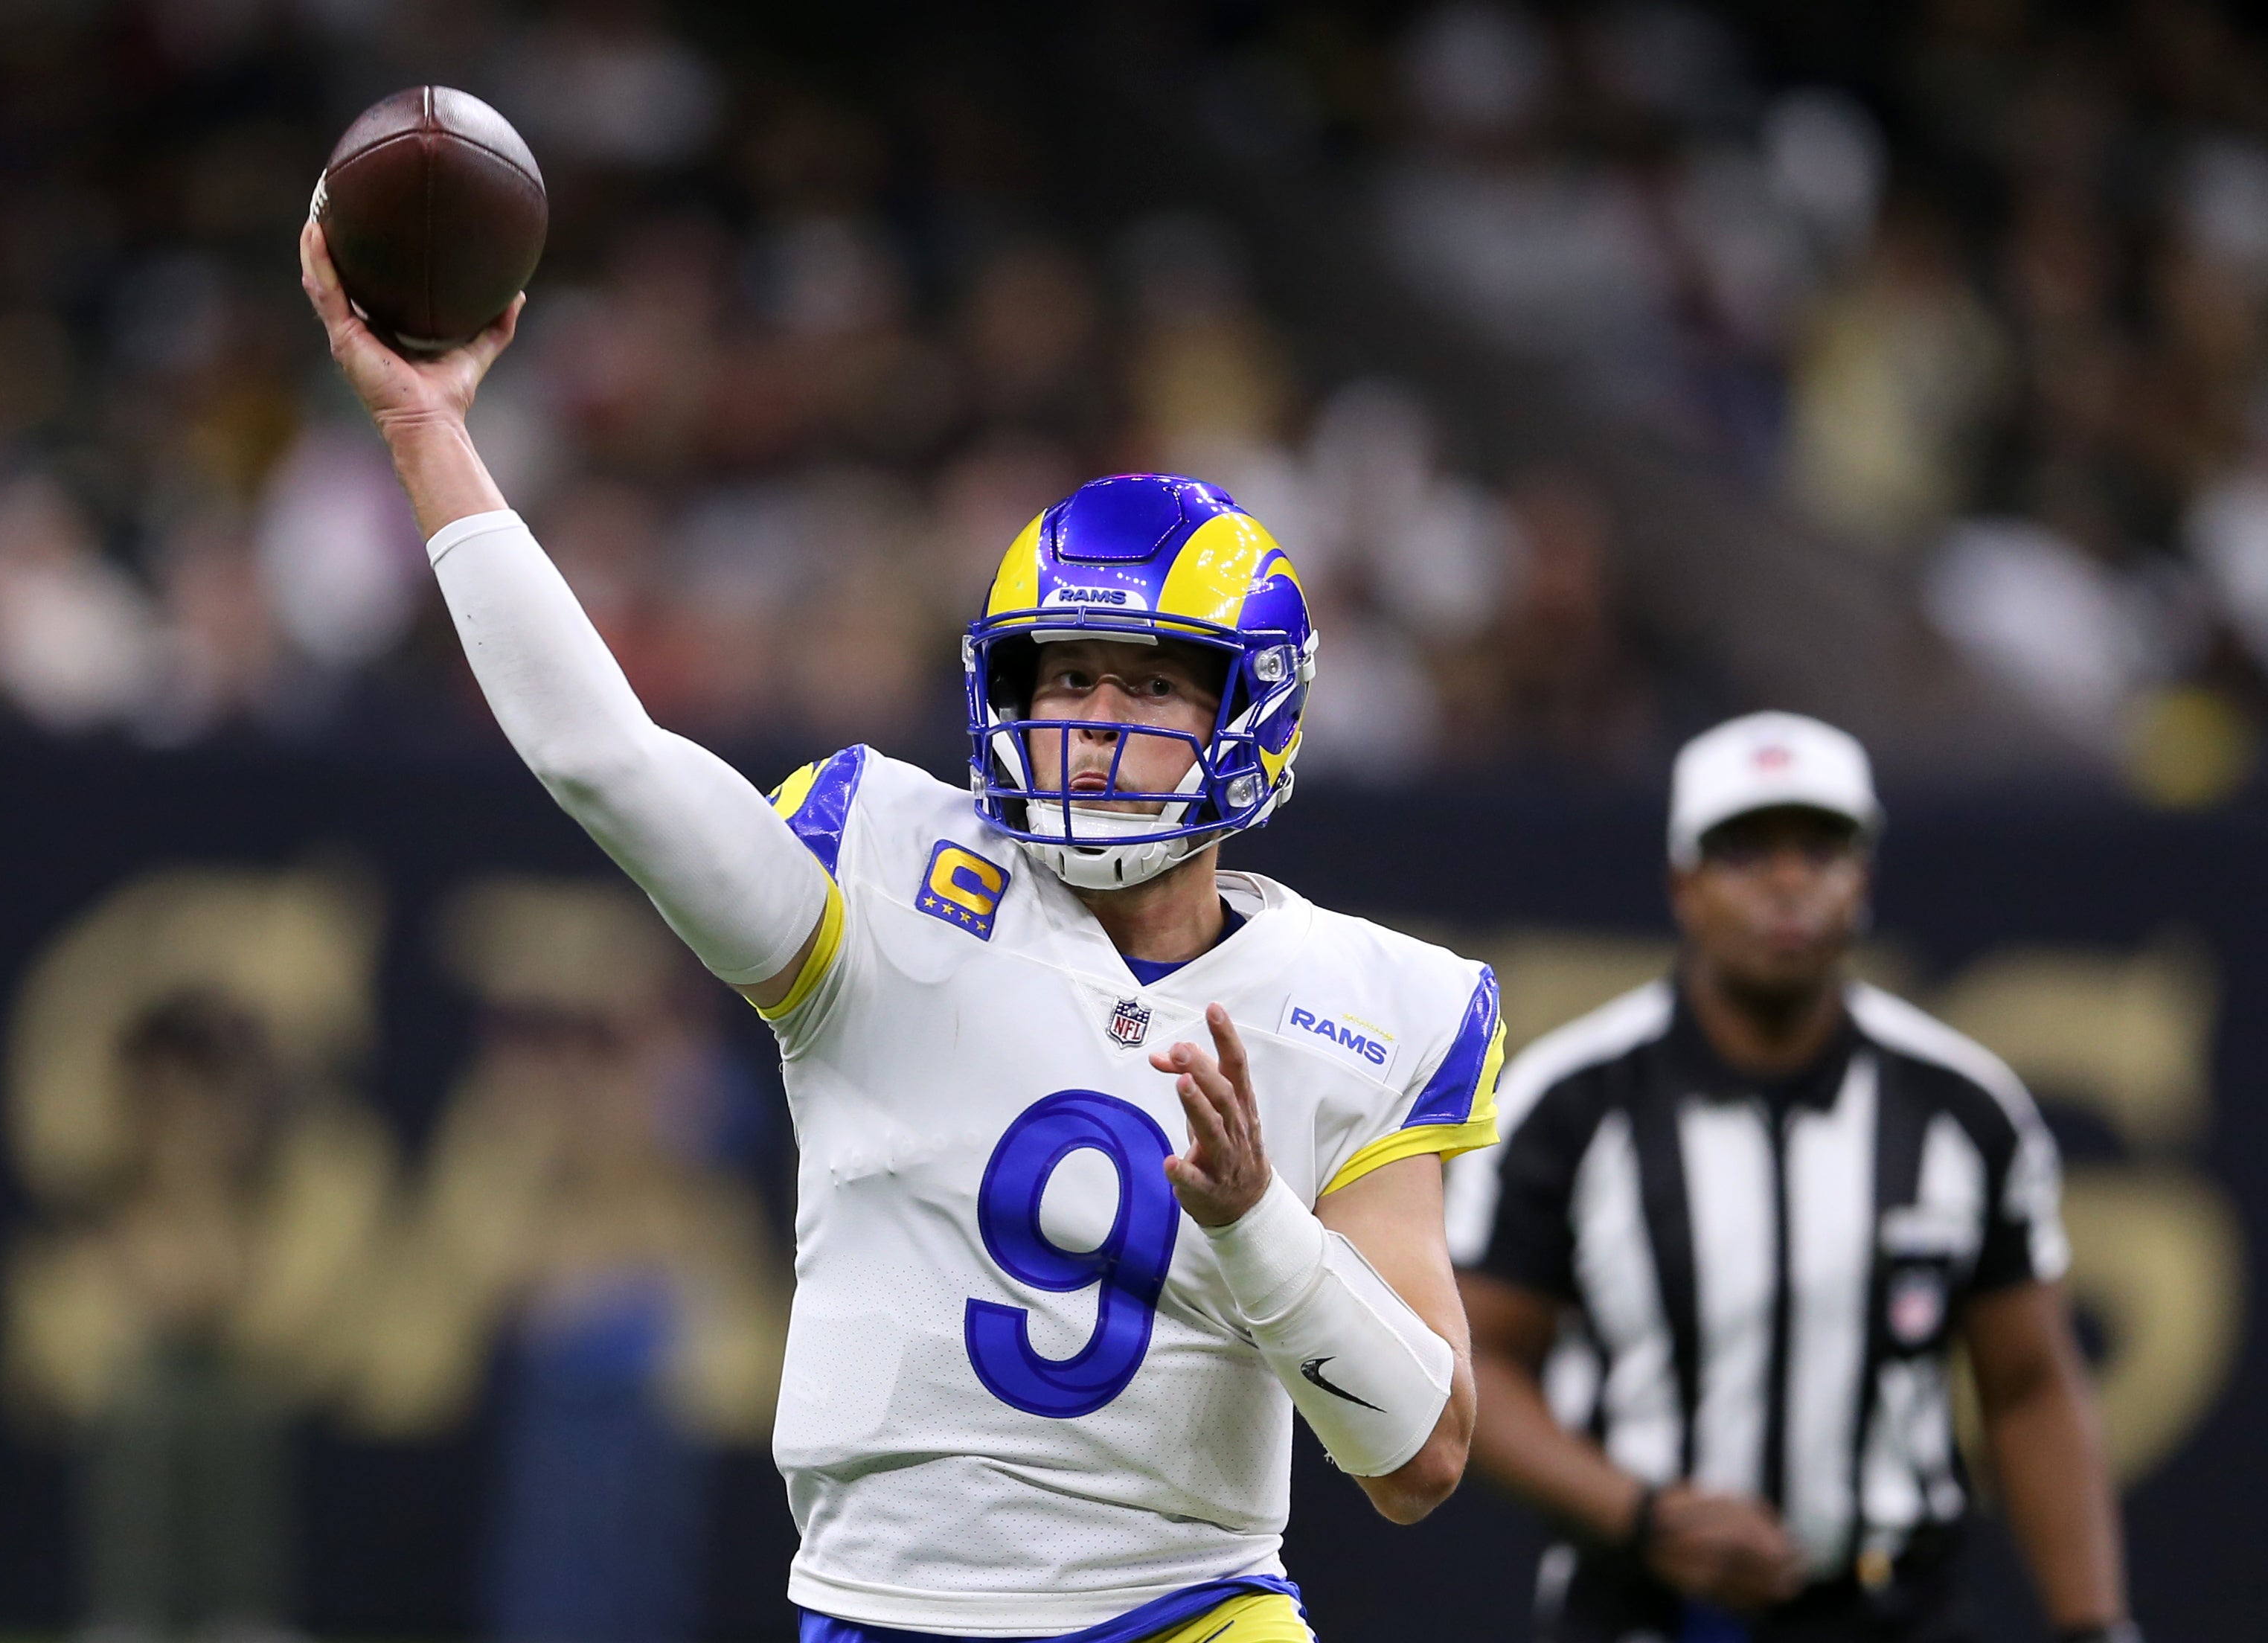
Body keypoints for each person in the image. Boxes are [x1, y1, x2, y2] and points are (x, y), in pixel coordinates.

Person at [301, 224, 1505, 1643]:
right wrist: (428, 431)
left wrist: (1255, 1224)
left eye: (1145, 686)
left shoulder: (1361, 997)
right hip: (891, 1612)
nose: (1094, 725)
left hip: (1191, 1611)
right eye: (1064, 680)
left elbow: (1419, 1456)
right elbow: (602, 757)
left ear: (1253, 717)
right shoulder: (882, 867)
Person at [1447, 712, 2138, 1643]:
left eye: (1819, 849)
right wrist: (1639, 1514)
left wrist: (2094, 1626)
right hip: (1638, 1607)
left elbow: (2030, 1384)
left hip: (1892, 1607)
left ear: (1864, 879)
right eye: (1744, 851)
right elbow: (1474, 1363)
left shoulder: (1963, 1108)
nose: (1785, 883)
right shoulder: (1568, 1105)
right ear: (1683, 884)